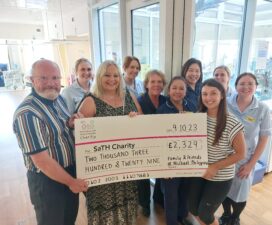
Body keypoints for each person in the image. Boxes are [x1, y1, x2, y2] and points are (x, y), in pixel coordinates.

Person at [13, 59, 88, 225]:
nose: (51, 83)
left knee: (69, 219)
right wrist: (71, 182)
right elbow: (42, 161)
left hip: (68, 172)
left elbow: (60, 127)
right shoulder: (28, 113)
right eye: (44, 78)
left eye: (55, 78)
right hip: (47, 182)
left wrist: (70, 122)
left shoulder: (57, 99)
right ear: (32, 80)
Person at [77, 60, 142, 225]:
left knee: (126, 208)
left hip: (126, 163)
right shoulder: (90, 101)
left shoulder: (128, 96)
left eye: (115, 75)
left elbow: (143, 123)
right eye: (107, 75)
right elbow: (80, 136)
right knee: (105, 211)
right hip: (103, 168)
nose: (112, 79)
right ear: (99, 77)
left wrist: (135, 120)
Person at [188, 79, 246, 225]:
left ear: (222, 95)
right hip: (199, 172)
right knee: (193, 209)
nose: (208, 97)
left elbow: (240, 154)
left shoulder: (232, 123)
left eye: (213, 93)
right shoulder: (197, 118)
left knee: (205, 213)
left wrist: (215, 167)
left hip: (220, 177)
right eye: (204, 94)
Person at [219, 73, 272, 225]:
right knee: (224, 189)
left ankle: (235, 217)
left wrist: (251, 165)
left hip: (246, 159)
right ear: (235, 86)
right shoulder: (225, 103)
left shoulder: (262, 109)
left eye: (250, 84)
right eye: (242, 84)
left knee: (241, 192)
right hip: (224, 156)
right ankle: (226, 214)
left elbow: (263, 138)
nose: (246, 87)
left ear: (256, 87)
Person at [157, 76, 197, 225]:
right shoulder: (162, 110)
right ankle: (172, 221)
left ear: (186, 91)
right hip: (169, 161)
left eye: (181, 88)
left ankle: (183, 216)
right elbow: (157, 139)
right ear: (169, 90)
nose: (178, 91)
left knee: (185, 191)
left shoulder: (192, 106)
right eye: (174, 88)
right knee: (171, 195)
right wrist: (162, 167)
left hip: (188, 158)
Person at [137, 69, 167, 216]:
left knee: (163, 171)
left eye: (159, 81)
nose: (156, 84)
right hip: (144, 143)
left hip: (162, 143)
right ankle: (144, 204)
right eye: (153, 81)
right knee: (143, 175)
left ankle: (158, 198)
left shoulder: (165, 100)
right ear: (146, 84)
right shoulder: (139, 101)